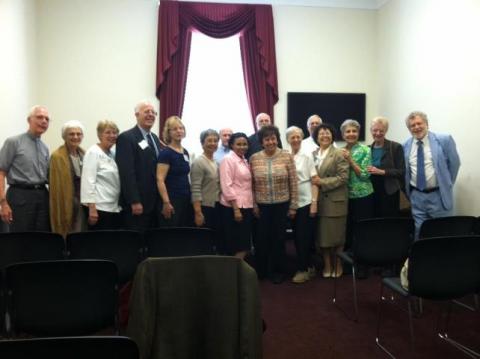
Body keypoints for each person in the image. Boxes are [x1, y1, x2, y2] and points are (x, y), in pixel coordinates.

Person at [250, 125, 298, 284]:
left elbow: (293, 182)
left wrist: (293, 206)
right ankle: (261, 271)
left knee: (278, 239)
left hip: (281, 205)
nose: (270, 142)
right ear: (261, 142)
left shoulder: (286, 156)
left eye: (273, 138)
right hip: (262, 206)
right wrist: (254, 205)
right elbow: (251, 185)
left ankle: (277, 270)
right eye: (266, 139)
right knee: (261, 239)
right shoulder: (254, 158)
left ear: (277, 139)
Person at [403, 111, 460, 238]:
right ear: (409, 129)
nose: (416, 127)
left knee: (442, 232)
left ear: (427, 124)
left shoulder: (444, 140)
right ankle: (421, 257)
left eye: (419, 123)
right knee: (420, 232)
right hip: (417, 197)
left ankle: (443, 257)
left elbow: (455, 164)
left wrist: (446, 184)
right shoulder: (405, 146)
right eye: (412, 125)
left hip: (439, 196)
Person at [0, 105, 51, 232]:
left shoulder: (45, 147)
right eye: (39, 117)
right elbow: (1, 172)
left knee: (41, 238)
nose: (44, 121)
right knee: (21, 239)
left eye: (47, 119)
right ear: (29, 120)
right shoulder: (13, 142)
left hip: (42, 196)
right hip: (20, 196)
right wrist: (3, 203)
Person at [116, 101, 162, 231]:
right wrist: (134, 201)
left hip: (154, 203)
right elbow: (126, 173)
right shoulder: (126, 138)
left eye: (153, 113)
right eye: (147, 111)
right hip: (137, 204)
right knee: (135, 242)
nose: (151, 115)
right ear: (136, 114)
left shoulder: (155, 138)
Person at [312, 124, 349, 278]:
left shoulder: (339, 153)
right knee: (323, 237)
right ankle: (327, 264)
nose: (325, 136)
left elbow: (343, 178)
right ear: (316, 137)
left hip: (336, 201)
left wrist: (322, 182)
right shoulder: (313, 154)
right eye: (321, 134)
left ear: (333, 136)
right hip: (319, 202)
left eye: (327, 133)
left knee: (338, 237)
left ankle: (338, 264)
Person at [341, 119, 374, 277]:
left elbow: (365, 175)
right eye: (348, 131)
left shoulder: (366, 150)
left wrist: (350, 160)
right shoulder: (340, 151)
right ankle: (349, 264)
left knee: (363, 231)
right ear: (343, 134)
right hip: (346, 197)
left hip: (364, 196)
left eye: (354, 131)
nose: (351, 134)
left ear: (358, 133)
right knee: (349, 230)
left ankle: (363, 265)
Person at [286, 126, 319, 284]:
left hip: (305, 199)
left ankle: (303, 269)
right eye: (292, 137)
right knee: (297, 237)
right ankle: (309, 266)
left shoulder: (307, 155)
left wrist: (314, 203)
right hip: (290, 201)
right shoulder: (285, 156)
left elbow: (315, 180)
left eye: (298, 136)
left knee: (303, 237)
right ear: (287, 140)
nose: (296, 139)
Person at [81, 120, 122, 230]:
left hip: (113, 207)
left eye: (114, 133)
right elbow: (88, 181)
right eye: (108, 132)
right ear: (99, 135)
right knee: (100, 243)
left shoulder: (113, 154)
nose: (112, 135)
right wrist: (92, 208)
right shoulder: (93, 152)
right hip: (99, 209)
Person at [219, 132, 254, 259]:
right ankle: (233, 273)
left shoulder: (244, 160)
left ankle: (237, 273)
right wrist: (236, 209)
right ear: (232, 145)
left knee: (243, 243)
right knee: (237, 244)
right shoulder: (228, 159)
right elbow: (226, 185)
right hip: (233, 208)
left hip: (246, 206)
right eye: (238, 144)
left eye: (245, 144)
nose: (242, 147)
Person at [49, 120, 86, 237]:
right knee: (67, 232)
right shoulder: (57, 156)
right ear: (64, 136)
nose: (75, 137)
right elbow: (55, 185)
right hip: (65, 201)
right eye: (71, 134)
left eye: (78, 134)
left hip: (82, 201)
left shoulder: (84, 154)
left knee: (81, 232)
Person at [157, 116, 192, 227]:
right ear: (169, 132)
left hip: (185, 199)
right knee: (171, 234)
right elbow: (160, 179)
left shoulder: (185, 152)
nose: (179, 131)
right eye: (175, 129)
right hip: (172, 199)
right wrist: (166, 202)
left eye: (181, 128)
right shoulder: (166, 153)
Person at [367, 116, 405, 217]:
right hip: (371, 191)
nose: (378, 133)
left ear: (386, 131)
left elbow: (401, 172)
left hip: (390, 191)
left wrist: (382, 172)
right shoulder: (367, 149)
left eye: (381, 130)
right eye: (375, 130)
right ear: (371, 130)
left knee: (389, 221)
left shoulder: (396, 147)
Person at [191, 129, 222, 251]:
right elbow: (195, 188)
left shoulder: (216, 162)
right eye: (209, 140)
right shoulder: (199, 162)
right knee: (203, 243)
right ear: (202, 143)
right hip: (204, 207)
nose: (213, 143)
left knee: (214, 242)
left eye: (215, 140)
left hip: (216, 206)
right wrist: (198, 213)